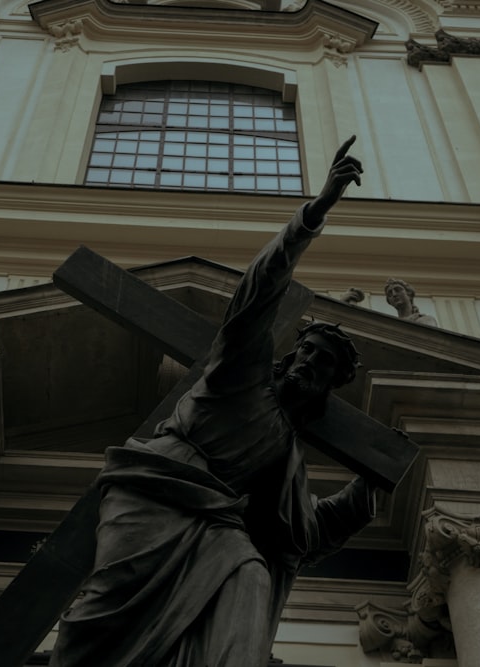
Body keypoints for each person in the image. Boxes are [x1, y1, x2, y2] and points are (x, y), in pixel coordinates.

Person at [49, 137, 376, 667]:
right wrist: (313, 215)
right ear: (290, 356)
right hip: (153, 497)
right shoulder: (239, 379)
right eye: (307, 352)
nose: (307, 365)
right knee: (104, 611)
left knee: (250, 573)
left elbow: (306, 535)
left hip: (221, 524)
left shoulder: (287, 454)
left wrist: (372, 481)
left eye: (322, 365)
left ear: (330, 385)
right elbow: (257, 295)